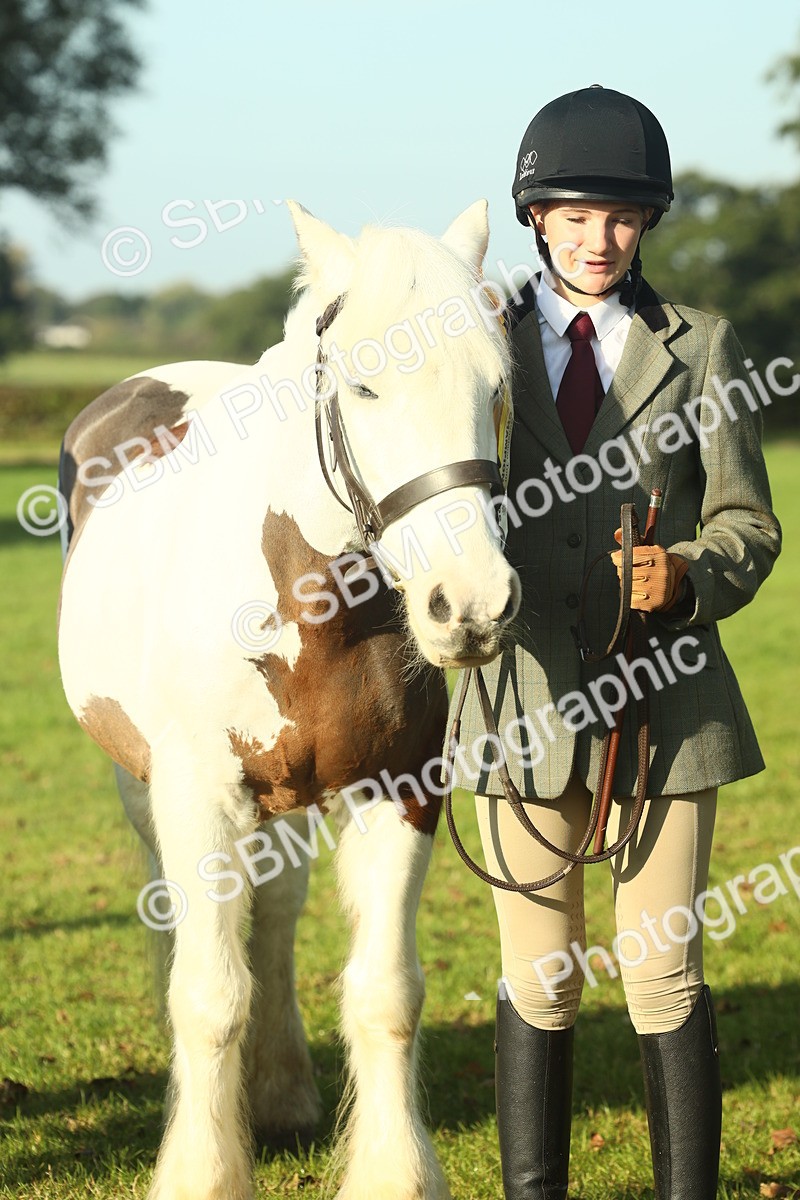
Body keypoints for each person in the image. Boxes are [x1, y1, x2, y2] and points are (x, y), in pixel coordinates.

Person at [451, 85, 782, 1199]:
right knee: (538, 980)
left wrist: (688, 573)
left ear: (646, 225)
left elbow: (748, 521)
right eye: (575, 214)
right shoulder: (475, 342)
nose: (599, 239)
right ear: (534, 216)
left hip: (665, 703)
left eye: (623, 218)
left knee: (661, 977)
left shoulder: (702, 348)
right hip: (520, 699)